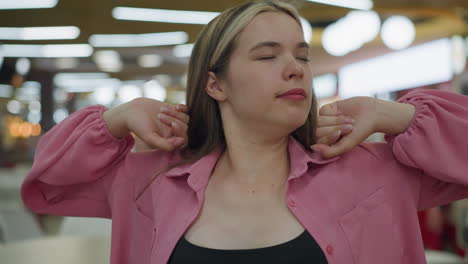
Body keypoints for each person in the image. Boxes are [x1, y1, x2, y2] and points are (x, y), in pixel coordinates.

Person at [21, 0, 468, 263]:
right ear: (215, 84)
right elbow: (47, 184)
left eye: (301, 55)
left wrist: (396, 117)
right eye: (267, 56)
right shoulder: (148, 182)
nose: (294, 68)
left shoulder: (375, 174)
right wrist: (115, 121)